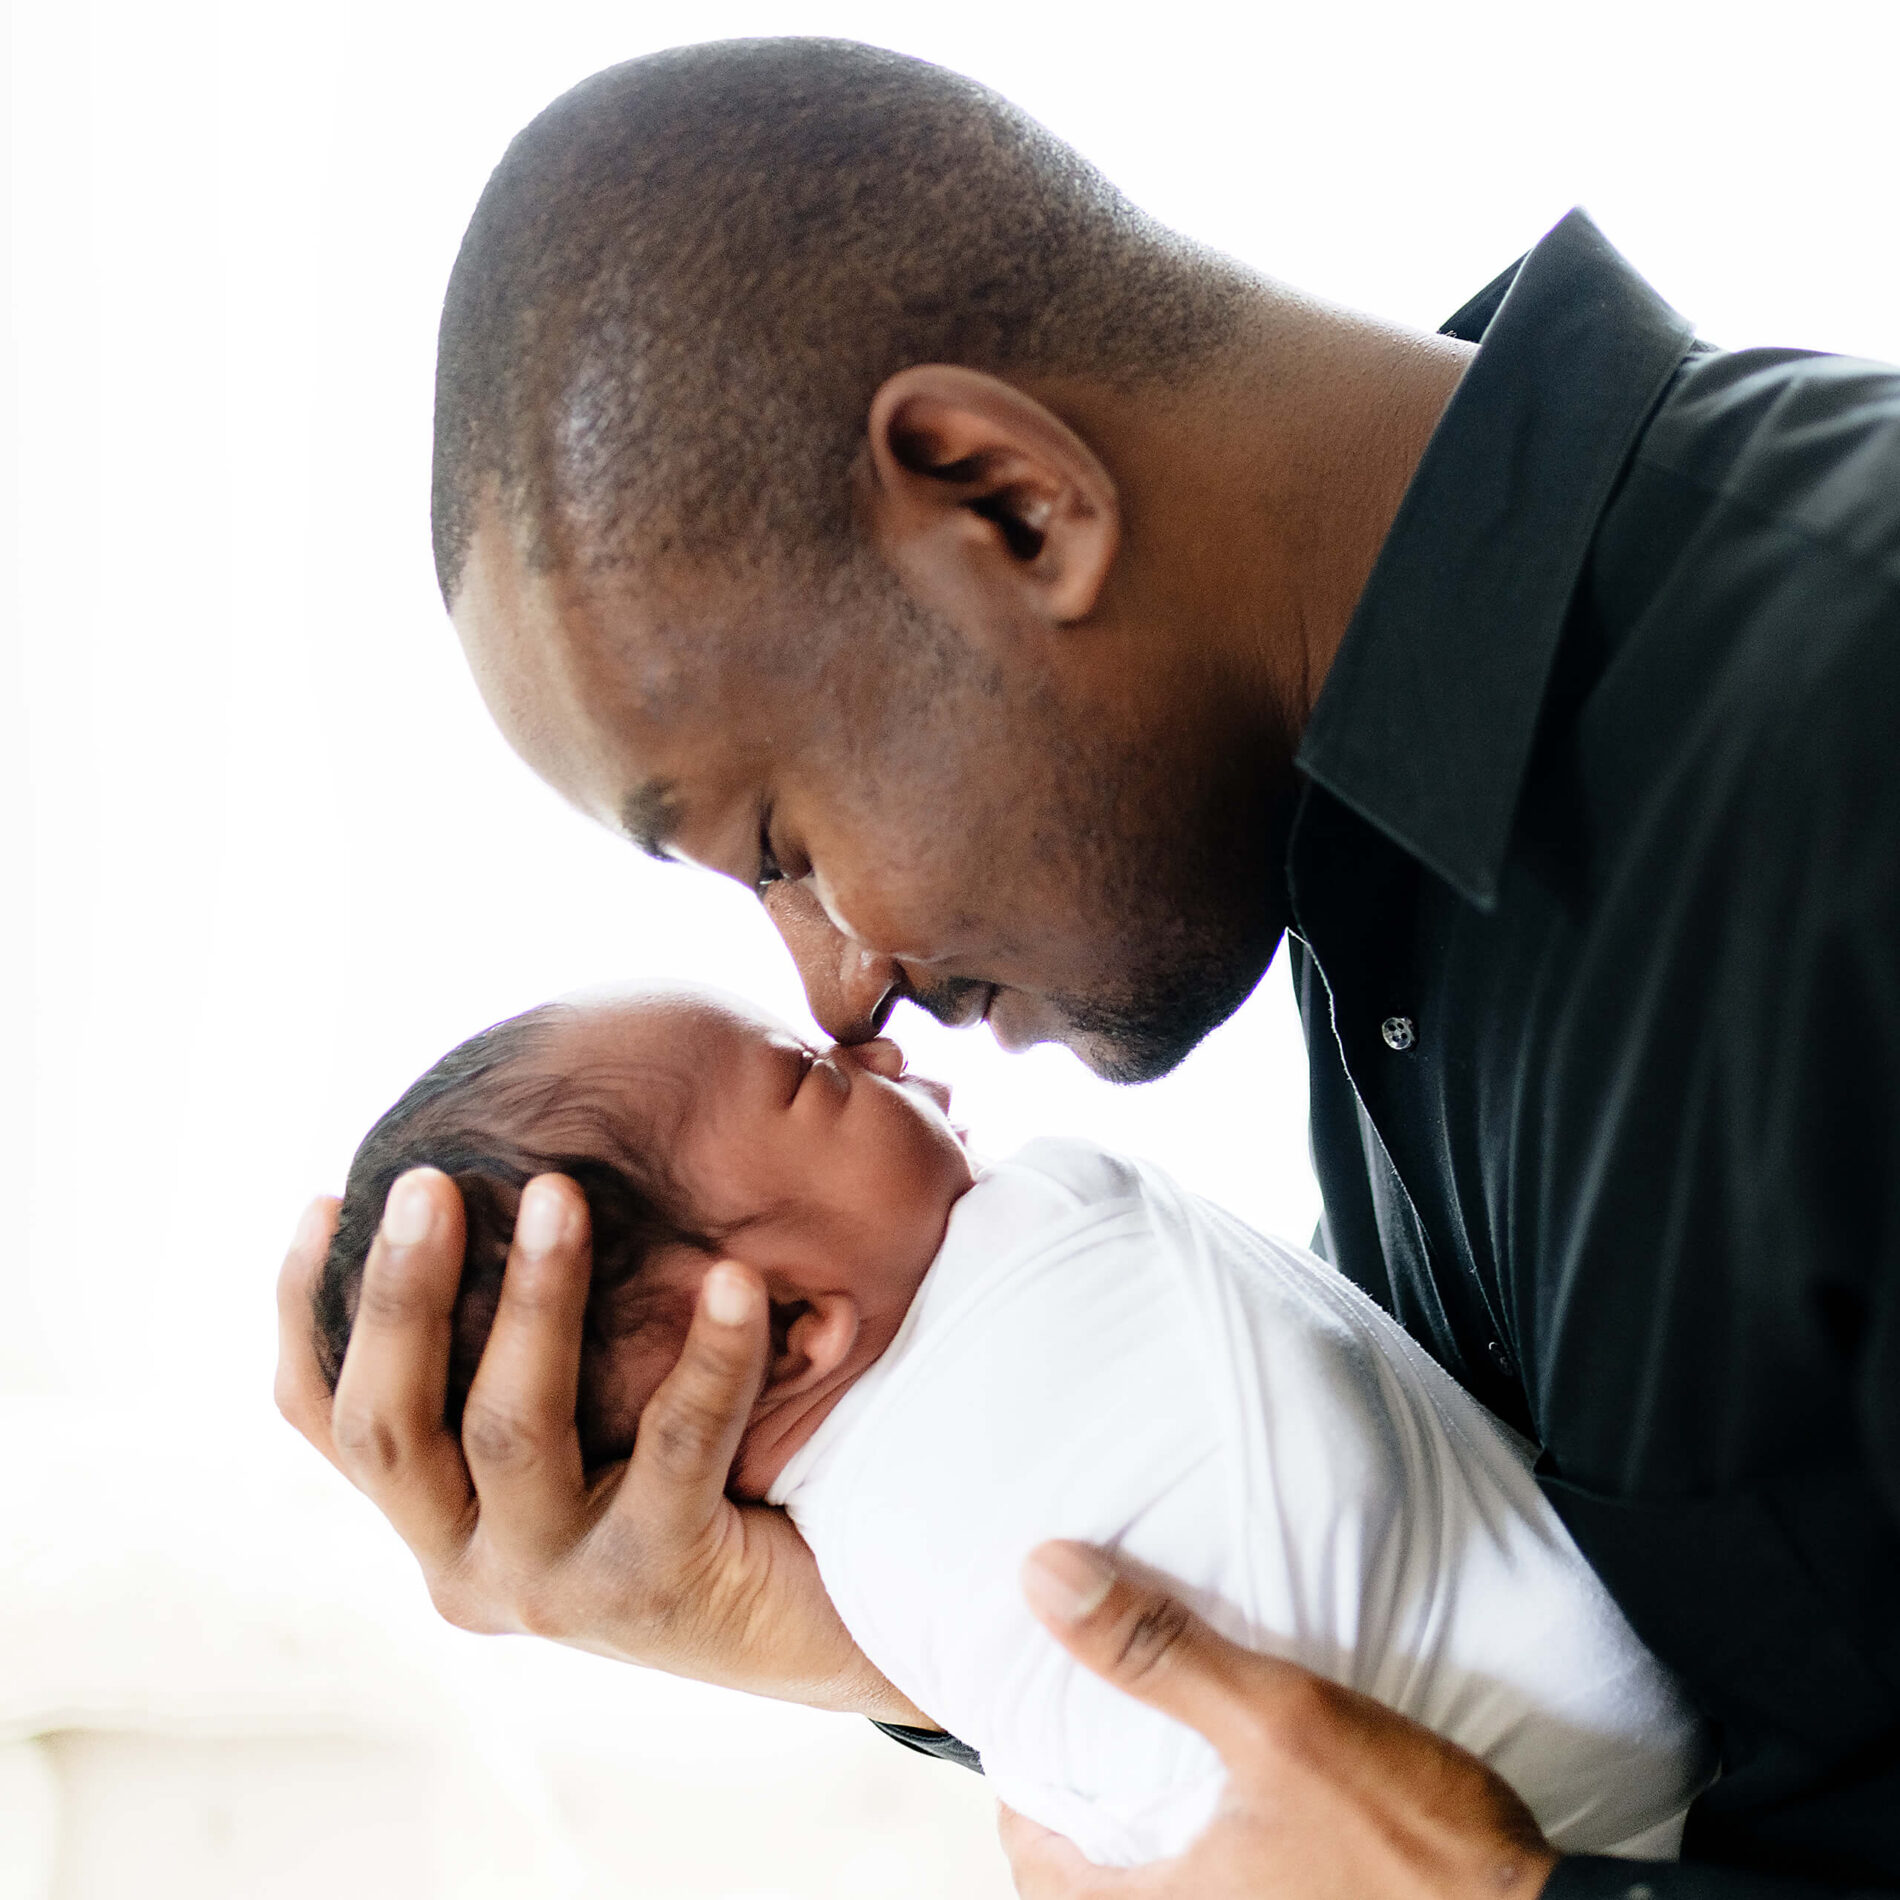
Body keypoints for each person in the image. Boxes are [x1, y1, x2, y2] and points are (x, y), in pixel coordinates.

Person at [272, 37, 1900, 1900]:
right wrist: (804, 1624)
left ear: (1007, 504)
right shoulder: (1400, 902)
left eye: (783, 848)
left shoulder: (1847, 744)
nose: (834, 992)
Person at [313, 986, 1713, 1865]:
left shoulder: (898, 1591)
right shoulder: (1041, 1234)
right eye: (814, 1078)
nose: (873, 1031)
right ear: (792, 1326)